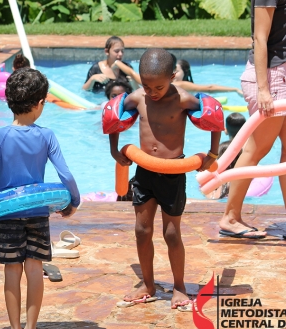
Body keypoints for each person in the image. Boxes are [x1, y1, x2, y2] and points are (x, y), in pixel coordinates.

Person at [0, 68, 80, 329]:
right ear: (40, 103)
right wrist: (73, 200)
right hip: (38, 213)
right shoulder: (46, 135)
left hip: (7, 215)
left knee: (12, 271)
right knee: (35, 269)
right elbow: (65, 173)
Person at [109, 48, 220, 309]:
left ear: (173, 76)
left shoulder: (182, 99)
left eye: (158, 86)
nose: (152, 92)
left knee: (171, 233)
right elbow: (113, 116)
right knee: (141, 230)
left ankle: (179, 287)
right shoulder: (137, 98)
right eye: (146, 85)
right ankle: (148, 283)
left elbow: (214, 116)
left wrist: (213, 154)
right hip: (145, 171)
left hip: (172, 173)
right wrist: (115, 151)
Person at [218, 0, 286, 239]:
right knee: (257, 148)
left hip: (281, 74)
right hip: (271, 76)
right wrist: (264, 88)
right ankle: (230, 217)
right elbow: (260, 38)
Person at [173, 58, 244, 95]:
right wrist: (235, 89)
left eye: (176, 71)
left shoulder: (182, 85)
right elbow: (210, 88)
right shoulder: (181, 85)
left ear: (185, 72)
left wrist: (235, 89)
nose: (172, 74)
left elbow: (210, 88)